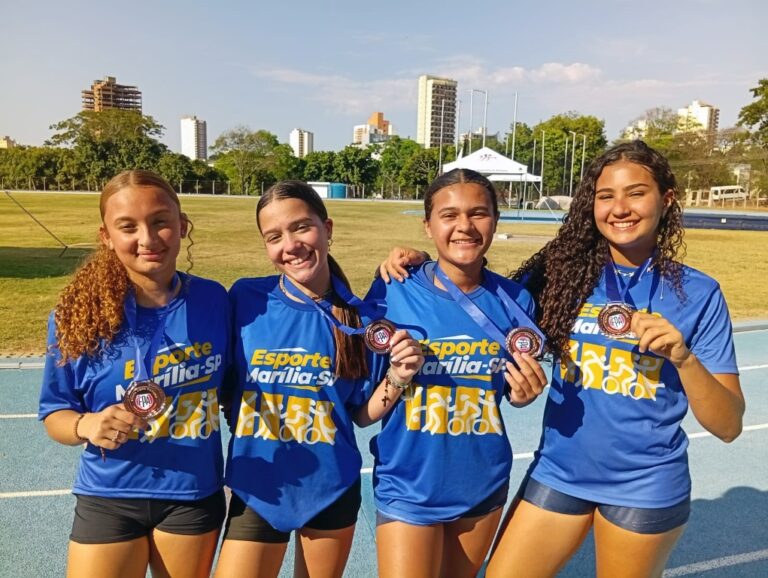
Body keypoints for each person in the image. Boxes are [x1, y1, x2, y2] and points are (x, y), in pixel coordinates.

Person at [382, 142, 745, 577]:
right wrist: (421, 263)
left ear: (666, 199)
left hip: (645, 484)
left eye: (636, 193)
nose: (620, 208)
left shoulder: (698, 293)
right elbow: (479, 288)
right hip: (559, 473)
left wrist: (684, 359)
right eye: (606, 195)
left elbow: (727, 425)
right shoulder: (560, 272)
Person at [214, 180, 423, 578]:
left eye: (301, 227)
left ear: (327, 229)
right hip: (258, 485)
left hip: (331, 486)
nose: (290, 245)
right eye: (273, 236)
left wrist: (398, 375)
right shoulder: (246, 299)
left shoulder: (361, 319)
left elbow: (360, 415)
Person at [38, 170, 230, 578]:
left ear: (182, 226)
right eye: (128, 227)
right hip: (109, 494)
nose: (148, 238)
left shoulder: (215, 300)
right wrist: (87, 423)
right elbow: (55, 413)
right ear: (106, 236)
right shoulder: (76, 317)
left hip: (191, 495)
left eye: (160, 221)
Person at [368, 168, 548, 578]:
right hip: (408, 481)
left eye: (478, 213)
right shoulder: (393, 287)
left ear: (496, 221)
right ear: (427, 225)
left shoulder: (516, 299)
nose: (464, 226)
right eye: (448, 215)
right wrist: (396, 377)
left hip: (481, 480)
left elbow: (508, 386)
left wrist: (522, 394)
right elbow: (365, 398)